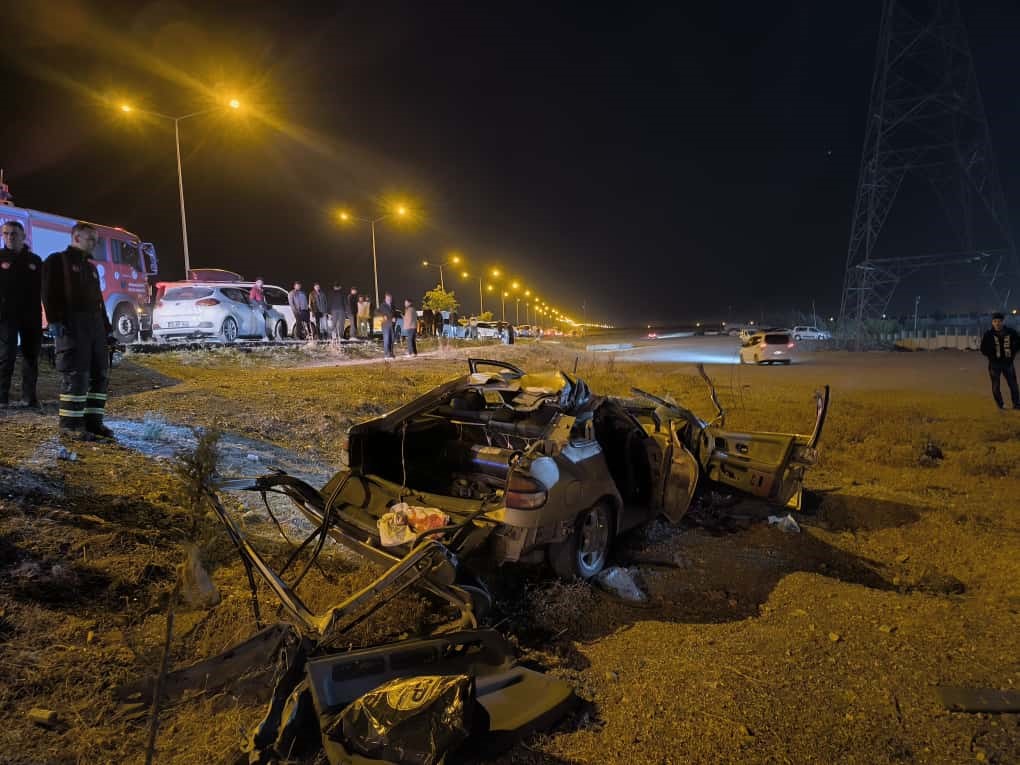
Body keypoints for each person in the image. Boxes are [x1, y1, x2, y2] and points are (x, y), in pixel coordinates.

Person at [41, 222, 114, 439]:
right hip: (72, 326)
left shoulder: (90, 267)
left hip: (95, 328)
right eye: (90, 239)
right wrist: (54, 321)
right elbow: (48, 292)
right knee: (76, 375)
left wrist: (107, 329)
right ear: (76, 237)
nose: (94, 244)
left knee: (99, 375)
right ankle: (70, 426)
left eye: (96, 240)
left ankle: (93, 423)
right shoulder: (57, 261)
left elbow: (98, 301)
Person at [0, 221, 43, 408]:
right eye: (6, 233)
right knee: (6, 356)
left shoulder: (35, 261)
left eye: (14, 234)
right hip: (5, 317)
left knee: (31, 357)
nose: (10, 237)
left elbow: (45, 290)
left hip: (31, 316)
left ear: (23, 237)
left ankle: (29, 397)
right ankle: (2, 397)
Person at [980, 311, 1020, 410]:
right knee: (996, 386)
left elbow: (1018, 344)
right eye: (995, 321)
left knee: (1013, 385)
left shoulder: (1011, 332)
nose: (997, 323)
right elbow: (983, 348)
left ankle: (1017, 404)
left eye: (999, 321)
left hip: (1008, 363)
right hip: (994, 364)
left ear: (1003, 322)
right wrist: (991, 356)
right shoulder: (988, 334)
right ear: (992, 322)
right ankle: (1000, 405)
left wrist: (1012, 354)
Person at [378, 292, 396, 358]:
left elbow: (394, 314)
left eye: (390, 298)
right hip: (385, 324)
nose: (389, 299)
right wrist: (383, 316)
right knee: (386, 339)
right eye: (388, 298)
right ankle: (386, 354)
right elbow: (378, 312)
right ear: (385, 298)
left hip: (391, 324)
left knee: (392, 339)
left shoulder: (393, 306)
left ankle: (391, 353)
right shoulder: (382, 305)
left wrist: (394, 317)